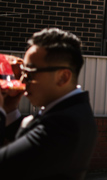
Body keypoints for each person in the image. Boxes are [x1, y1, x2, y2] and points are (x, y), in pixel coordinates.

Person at [0, 28, 98, 179]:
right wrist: (9, 109)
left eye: (29, 73)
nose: (22, 81)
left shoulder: (65, 125)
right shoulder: (72, 111)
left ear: (63, 77)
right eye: (22, 72)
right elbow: (28, 143)